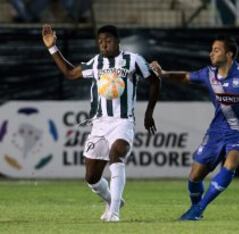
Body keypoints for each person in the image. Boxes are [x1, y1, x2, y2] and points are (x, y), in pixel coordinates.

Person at [150, 35, 239, 221]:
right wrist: (163, 73)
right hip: (216, 131)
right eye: (211, 49)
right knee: (194, 177)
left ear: (229, 55)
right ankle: (196, 209)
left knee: (230, 164)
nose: (211, 53)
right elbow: (185, 76)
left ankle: (197, 210)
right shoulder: (208, 74)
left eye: (216, 50)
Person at [42, 24, 160, 222]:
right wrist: (52, 48)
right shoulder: (95, 63)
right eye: (101, 42)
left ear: (117, 41)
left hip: (123, 122)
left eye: (108, 41)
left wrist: (149, 113)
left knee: (117, 153)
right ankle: (113, 200)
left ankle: (114, 212)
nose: (104, 45)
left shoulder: (133, 60)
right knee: (91, 177)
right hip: (99, 124)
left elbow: (155, 80)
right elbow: (70, 73)